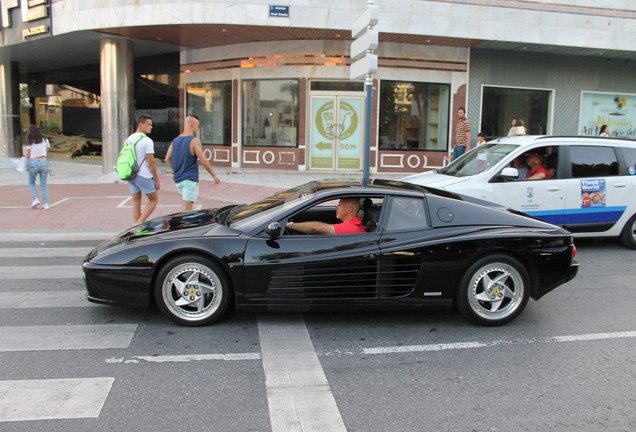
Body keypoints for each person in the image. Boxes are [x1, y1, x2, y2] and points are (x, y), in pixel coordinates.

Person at [165, 115, 220, 211]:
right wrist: (214, 175)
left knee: (186, 206)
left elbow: (167, 159)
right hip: (189, 179)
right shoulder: (194, 141)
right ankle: (183, 225)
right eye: (197, 125)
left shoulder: (175, 141)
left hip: (178, 180)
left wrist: (176, 170)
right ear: (192, 124)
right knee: (187, 210)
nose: (198, 128)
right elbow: (203, 161)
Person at [126, 114, 161, 224]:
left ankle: (136, 228)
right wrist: (156, 179)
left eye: (151, 125)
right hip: (143, 175)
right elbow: (151, 162)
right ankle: (138, 225)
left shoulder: (129, 139)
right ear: (140, 124)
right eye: (148, 124)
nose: (151, 127)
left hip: (131, 174)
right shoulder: (147, 141)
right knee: (153, 200)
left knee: (136, 202)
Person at [286, 198, 365, 234]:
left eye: (340, 204)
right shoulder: (353, 225)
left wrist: (290, 225)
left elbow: (316, 228)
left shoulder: (352, 227)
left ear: (349, 210)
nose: (336, 207)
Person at [25, 124, 50, 210]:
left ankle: (35, 199)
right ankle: (45, 203)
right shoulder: (45, 139)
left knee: (31, 182)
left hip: (33, 162)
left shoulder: (30, 141)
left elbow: (28, 154)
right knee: (43, 184)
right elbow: (46, 151)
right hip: (43, 161)